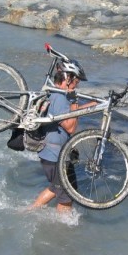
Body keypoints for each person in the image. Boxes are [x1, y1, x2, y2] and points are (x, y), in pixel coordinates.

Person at [30, 59, 96, 213]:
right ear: (68, 78)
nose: (77, 84)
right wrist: (75, 101)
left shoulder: (57, 94)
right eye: (76, 81)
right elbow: (70, 127)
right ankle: (62, 228)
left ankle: (29, 211)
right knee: (67, 197)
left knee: (56, 188)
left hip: (54, 154)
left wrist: (92, 106)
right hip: (55, 156)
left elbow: (67, 114)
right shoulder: (59, 98)